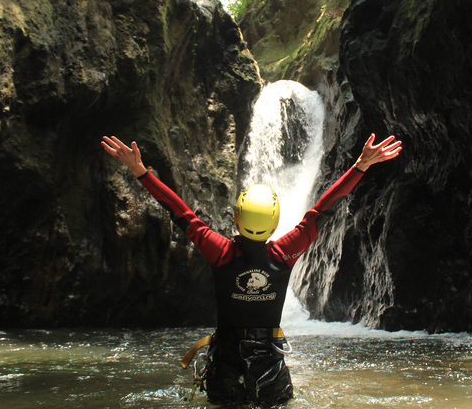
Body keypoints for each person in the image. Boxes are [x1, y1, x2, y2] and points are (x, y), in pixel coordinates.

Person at [101, 133, 403, 405]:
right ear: (274, 223)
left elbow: (181, 213)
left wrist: (141, 172)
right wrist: (360, 166)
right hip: (271, 371)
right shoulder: (285, 253)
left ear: (236, 219)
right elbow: (323, 209)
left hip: (225, 370)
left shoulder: (219, 252)